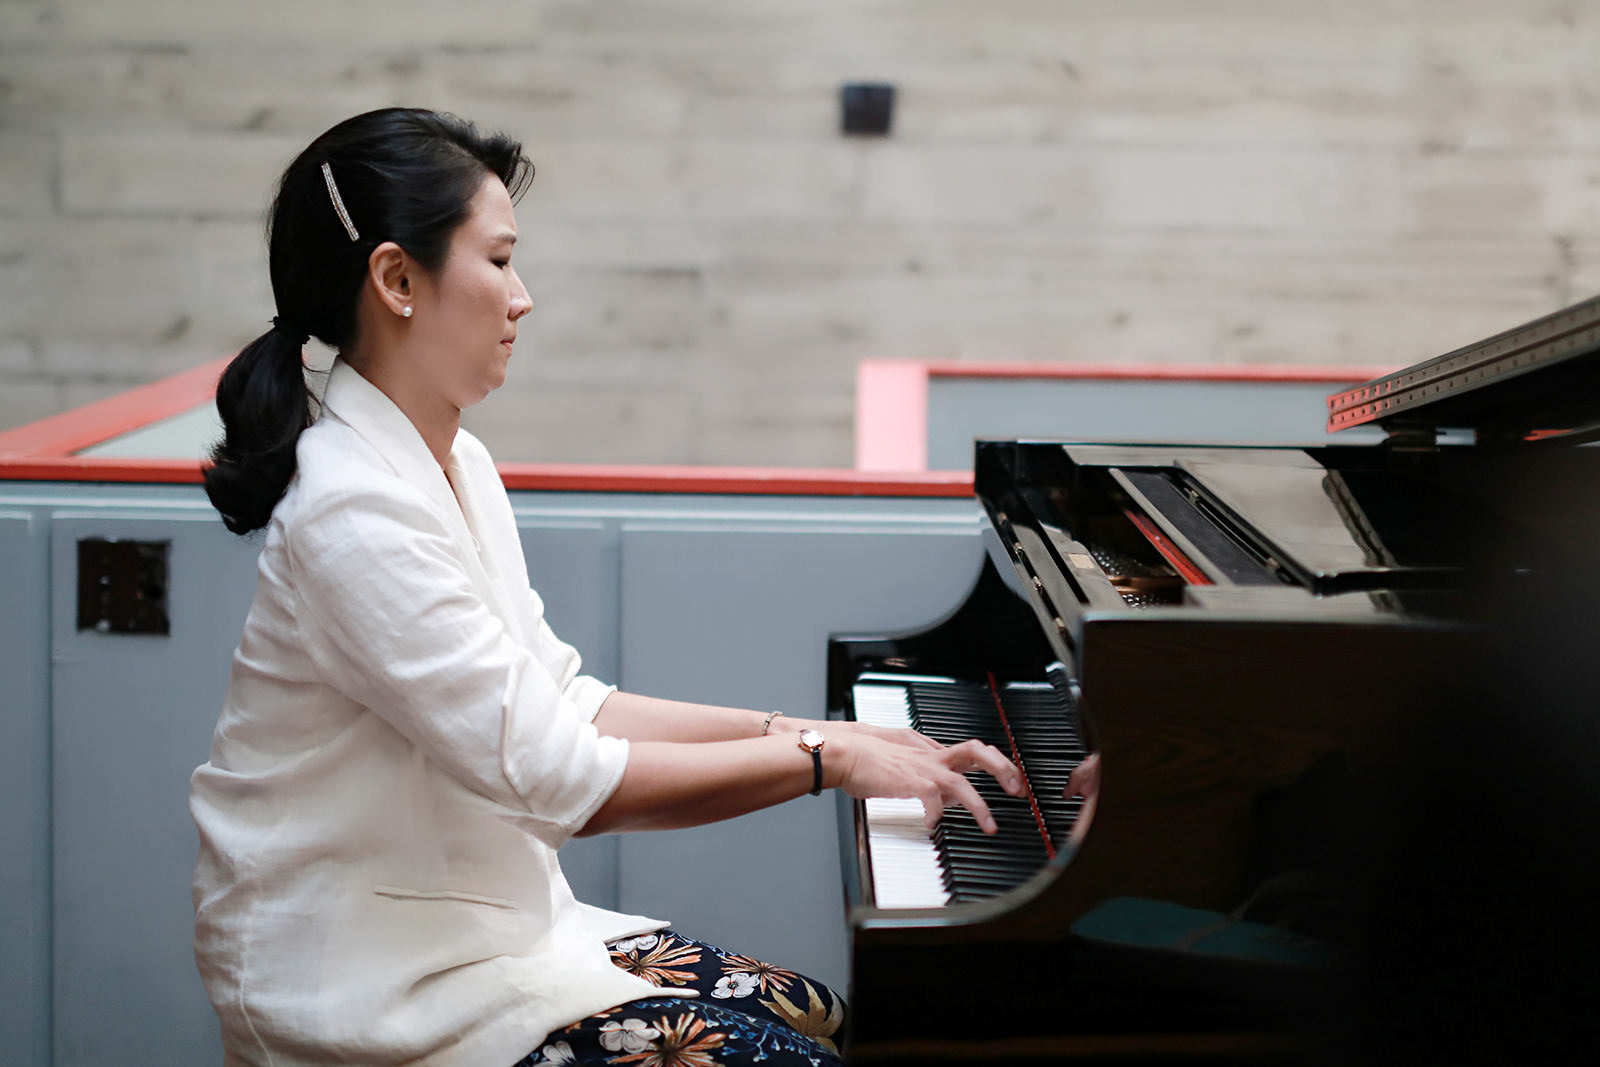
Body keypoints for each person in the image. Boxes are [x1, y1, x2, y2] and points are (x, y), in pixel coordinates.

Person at [191, 108, 1025, 1067]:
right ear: (397, 280)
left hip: (481, 928)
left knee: (828, 1017)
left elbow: (564, 698)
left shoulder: (457, 461)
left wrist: (811, 730)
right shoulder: (351, 507)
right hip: (366, 971)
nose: (523, 298)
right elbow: (558, 779)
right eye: (500, 261)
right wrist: (823, 758)